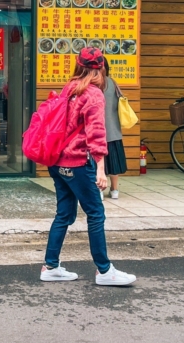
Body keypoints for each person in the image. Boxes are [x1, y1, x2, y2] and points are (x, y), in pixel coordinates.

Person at [41, 47, 136, 286]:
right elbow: (96, 133)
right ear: (101, 67)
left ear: (79, 66)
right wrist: (101, 169)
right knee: (95, 213)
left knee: (64, 214)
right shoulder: (93, 94)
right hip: (77, 162)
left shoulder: (70, 87)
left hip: (57, 161)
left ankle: (50, 266)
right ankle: (104, 271)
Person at [103, 59, 126, 199]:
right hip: (113, 130)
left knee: (99, 163)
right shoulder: (112, 82)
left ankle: (99, 190)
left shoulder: (92, 84)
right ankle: (115, 190)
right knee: (114, 164)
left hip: (96, 131)